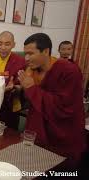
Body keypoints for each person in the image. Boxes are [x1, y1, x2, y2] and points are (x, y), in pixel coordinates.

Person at [18, 33, 86, 168]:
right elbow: (31, 101)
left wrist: (31, 88)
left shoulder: (69, 71)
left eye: (31, 53)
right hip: (39, 133)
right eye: (25, 54)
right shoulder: (32, 71)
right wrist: (18, 88)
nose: (26, 58)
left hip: (63, 134)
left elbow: (64, 107)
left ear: (46, 51)